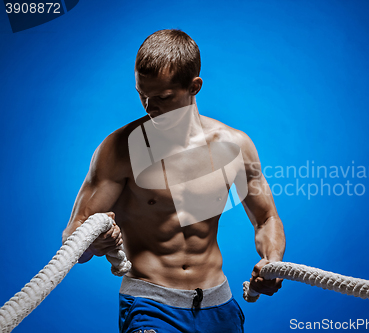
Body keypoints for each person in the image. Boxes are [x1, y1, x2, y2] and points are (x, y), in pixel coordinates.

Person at [62, 29, 285, 333]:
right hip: (150, 306)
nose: (150, 108)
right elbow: (74, 240)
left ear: (194, 87)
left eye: (163, 98)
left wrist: (272, 263)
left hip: (219, 305)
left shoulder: (234, 146)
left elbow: (266, 218)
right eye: (143, 95)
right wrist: (94, 242)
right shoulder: (119, 150)